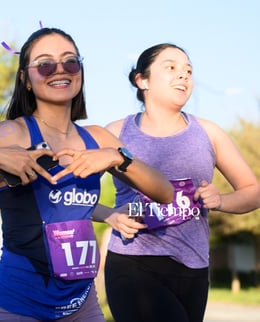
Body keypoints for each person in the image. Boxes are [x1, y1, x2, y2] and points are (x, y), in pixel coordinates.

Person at [0, 27, 174, 322]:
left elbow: (164, 192)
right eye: (45, 64)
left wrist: (117, 157)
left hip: (81, 302)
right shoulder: (8, 133)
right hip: (21, 302)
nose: (59, 70)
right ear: (26, 79)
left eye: (70, 62)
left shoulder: (98, 137)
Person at [103, 43, 260, 322]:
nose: (183, 75)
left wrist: (221, 200)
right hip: (132, 261)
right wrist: (109, 215)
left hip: (193, 267)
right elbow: (72, 193)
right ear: (143, 80)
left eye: (188, 70)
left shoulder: (209, 133)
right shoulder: (115, 133)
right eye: (171, 68)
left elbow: (253, 191)